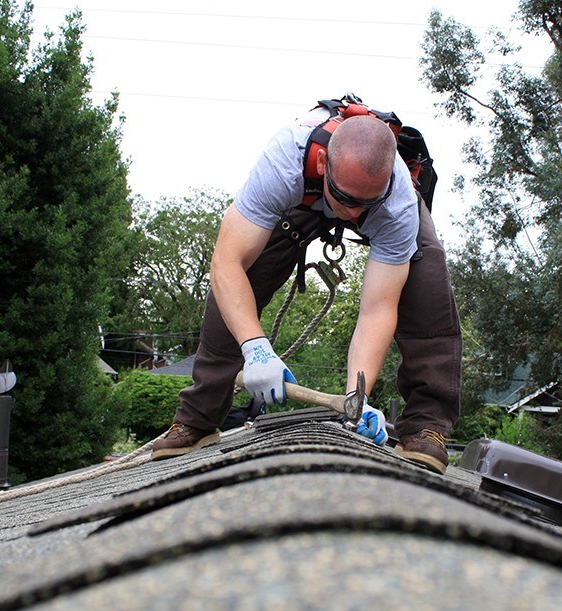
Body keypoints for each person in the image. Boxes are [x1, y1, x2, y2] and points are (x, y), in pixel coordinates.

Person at [151, 101, 462, 474]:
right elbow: (226, 261)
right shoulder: (284, 162)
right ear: (321, 167)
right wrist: (256, 350)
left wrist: (356, 393)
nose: (354, 217)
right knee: (240, 281)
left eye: (367, 205)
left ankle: (427, 426)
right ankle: (197, 418)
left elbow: (377, 308)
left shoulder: (395, 204)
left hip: (374, 200)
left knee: (426, 271)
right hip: (305, 198)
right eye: (347, 202)